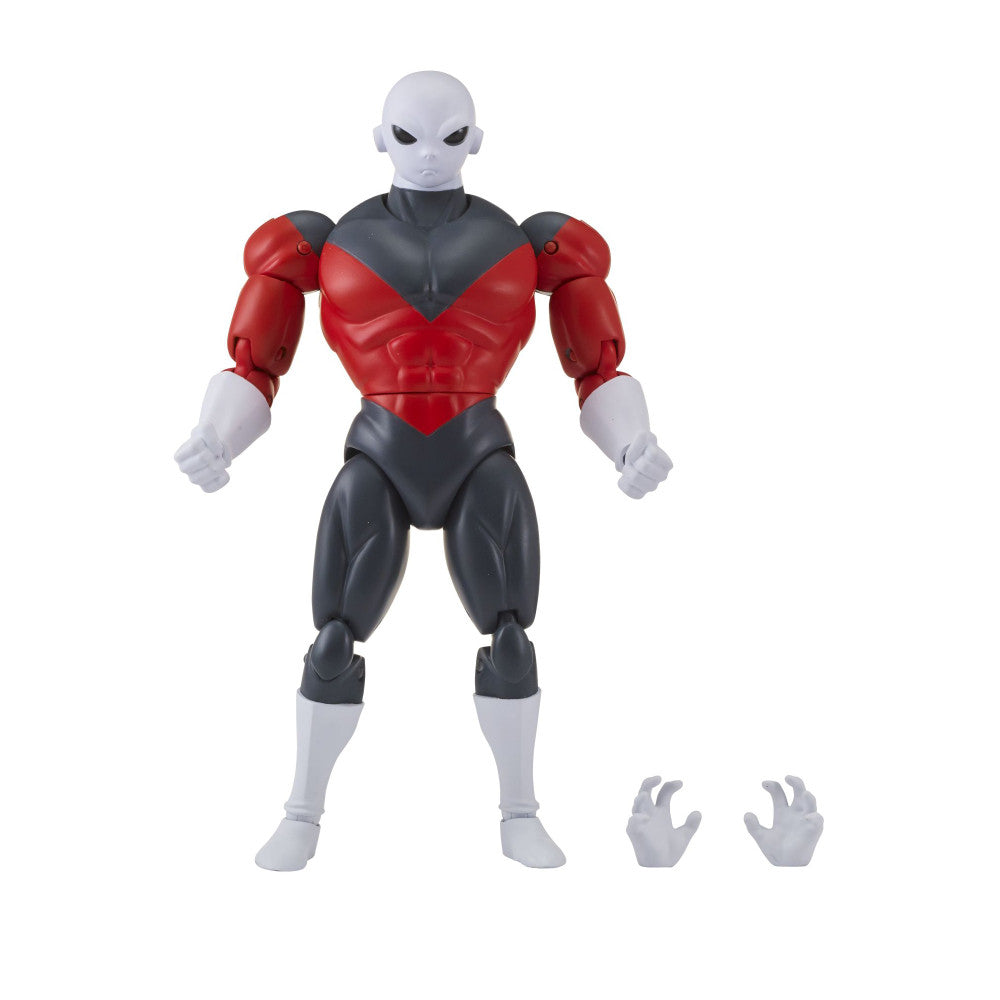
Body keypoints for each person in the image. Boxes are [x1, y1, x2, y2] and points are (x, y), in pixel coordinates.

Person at [175, 70, 672, 870]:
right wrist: (218, 436)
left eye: (450, 135)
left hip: (477, 449)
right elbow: (255, 365)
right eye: (409, 135)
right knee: (331, 640)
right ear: (381, 139)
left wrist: (630, 441)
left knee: (512, 639)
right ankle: (301, 814)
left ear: (476, 140)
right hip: (379, 447)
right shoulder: (328, 243)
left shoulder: (525, 245)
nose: (431, 153)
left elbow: (597, 369)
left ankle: (520, 816)